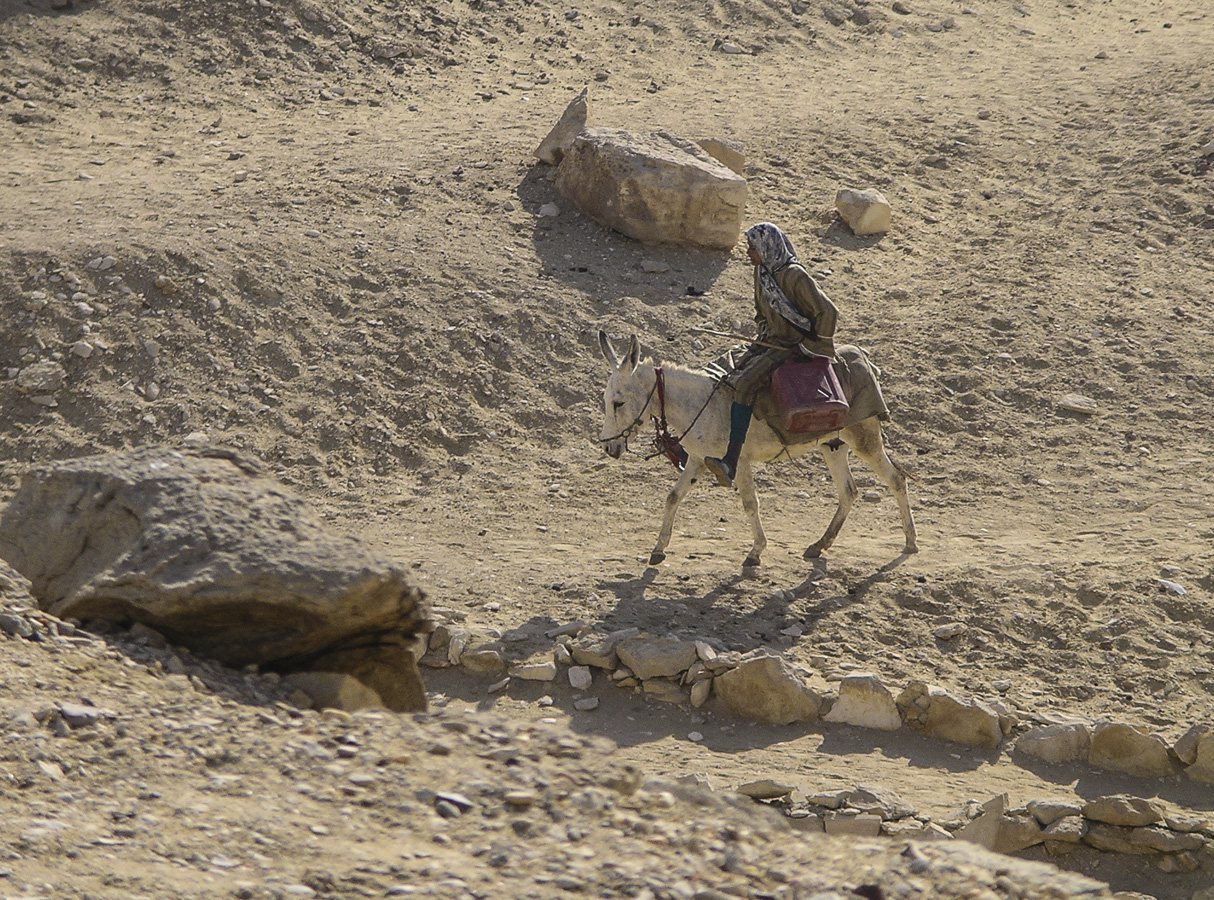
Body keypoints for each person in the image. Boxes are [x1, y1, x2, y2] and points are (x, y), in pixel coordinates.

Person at [704, 222, 838, 488]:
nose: (748, 253)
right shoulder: (761, 273)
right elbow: (761, 314)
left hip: (794, 347)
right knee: (728, 373)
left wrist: (810, 346)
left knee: (744, 385)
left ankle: (731, 461)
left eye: (752, 248)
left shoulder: (794, 276)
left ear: (767, 248)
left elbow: (828, 312)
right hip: (772, 342)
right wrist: (763, 335)